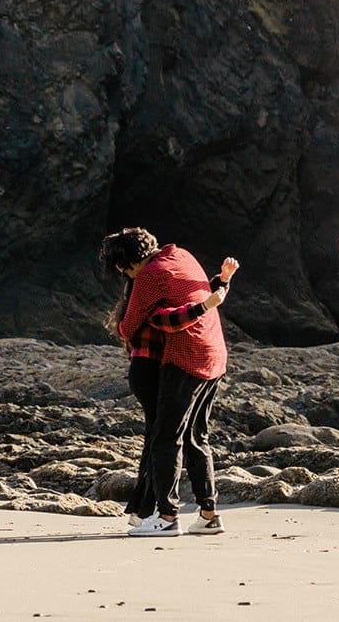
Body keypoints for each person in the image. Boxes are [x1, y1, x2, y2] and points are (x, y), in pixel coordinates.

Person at [100, 227, 236, 537]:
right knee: (196, 437)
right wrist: (223, 282)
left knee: (165, 436)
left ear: (128, 263)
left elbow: (128, 325)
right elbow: (203, 295)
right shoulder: (181, 256)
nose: (125, 275)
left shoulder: (149, 273)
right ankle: (209, 515)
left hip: (185, 358)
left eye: (122, 269)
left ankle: (166, 516)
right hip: (214, 357)